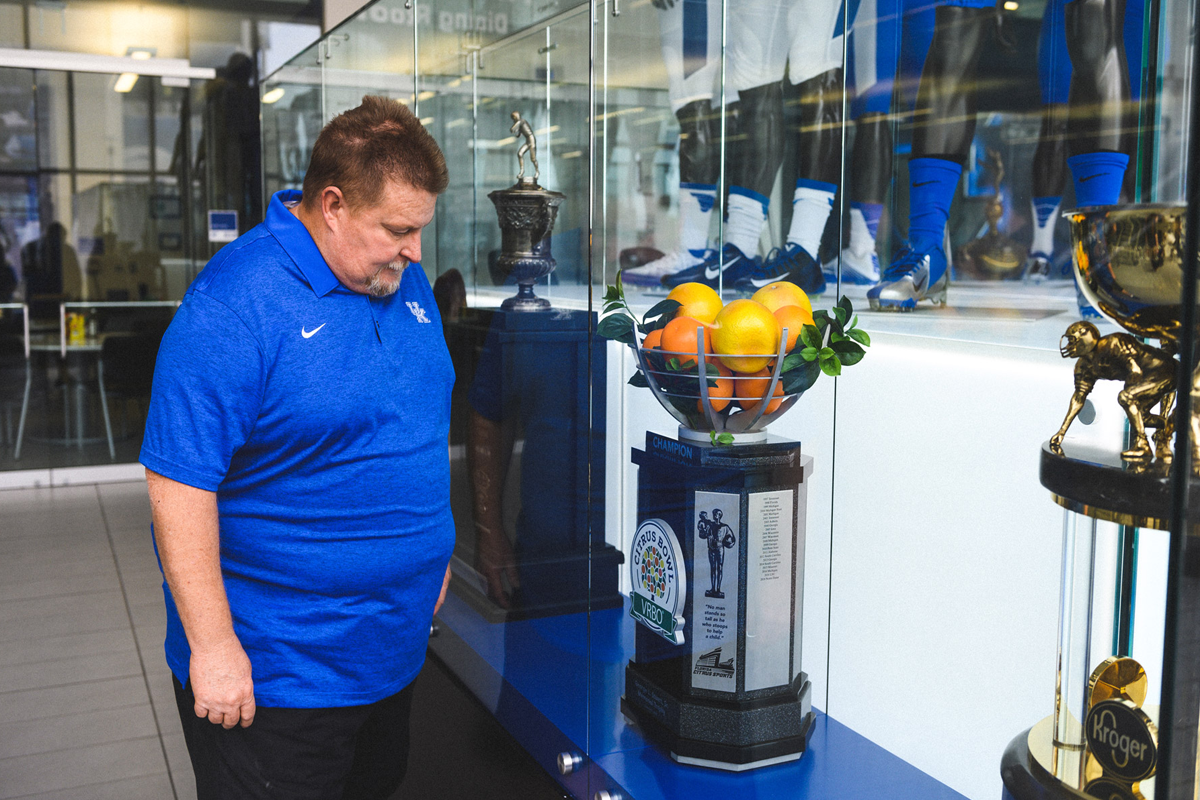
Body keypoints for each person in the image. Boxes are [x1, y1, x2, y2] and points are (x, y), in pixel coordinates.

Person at [140, 95, 454, 800]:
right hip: (280, 676)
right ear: (333, 205)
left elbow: (415, 420)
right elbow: (178, 485)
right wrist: (214, 650)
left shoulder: (401, 279)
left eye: (420, 230)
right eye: (399, 229)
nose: (416, 251)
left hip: (389, 653)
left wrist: (433, 549)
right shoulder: (233, 305)